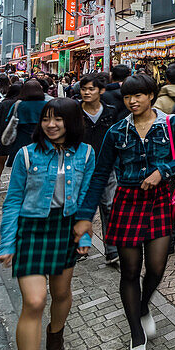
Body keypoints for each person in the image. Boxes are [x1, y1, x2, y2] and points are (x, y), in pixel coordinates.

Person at [73, 74, 175, 350]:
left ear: (152, 95)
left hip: (158, 202)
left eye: (140, 95)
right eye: (128, 97)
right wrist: (84, 216)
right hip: (127, 202)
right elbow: (100, 175)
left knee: (156, 267)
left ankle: (143, 307)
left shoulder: (169, 124)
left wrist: (164, 171)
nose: (133, 101)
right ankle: (136, 335)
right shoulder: (117, 131)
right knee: (130, 271)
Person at [0, 99, 95, 350]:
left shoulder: (87, 154)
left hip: (67, 229)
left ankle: (55, 337)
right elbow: (12, 201)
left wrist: (86, 234)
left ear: (72, 122)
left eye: (59, 119)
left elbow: (88, 198)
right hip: (31, 228)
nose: (51, 125)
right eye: (46, 119)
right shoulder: (26, 154)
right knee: (35, 301)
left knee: (61, 293)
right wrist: (7, 242)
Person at [78, 74, 122, 267]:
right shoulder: (75, 112)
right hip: (80, 167)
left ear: (101, 91)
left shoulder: (111, 112)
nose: (87, 93)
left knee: (109, 206)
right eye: (84, 89)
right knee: (79, 207)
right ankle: (80, 247)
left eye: (91, 89)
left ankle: (112, 251)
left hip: (107, 166)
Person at [0, 83, 22, 182]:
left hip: (4, 136)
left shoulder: (4, 103)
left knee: (0, 162)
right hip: (18, 136)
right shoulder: (23, 104)